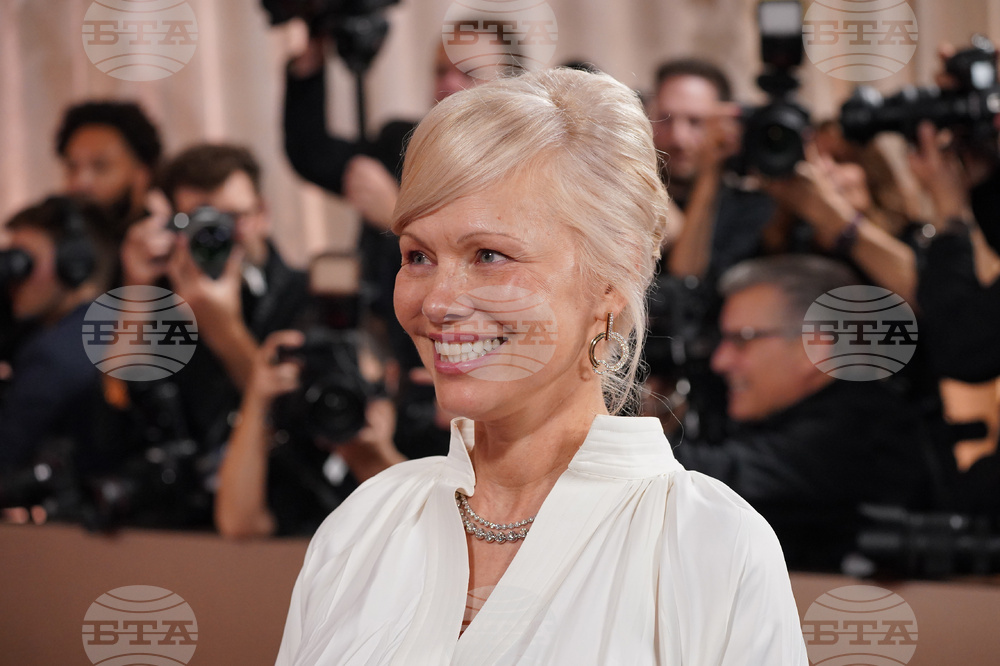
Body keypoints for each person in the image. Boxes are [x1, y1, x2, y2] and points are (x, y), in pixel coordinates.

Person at [277, 68, 807, 664]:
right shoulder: (364, 526)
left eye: (489, 255)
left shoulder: (710, 546)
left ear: (614, 274)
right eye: (417, 255)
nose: (438, 302)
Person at [675, 254, 937, 570]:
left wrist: (614, 434)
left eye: (741, 340)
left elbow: (716, 480)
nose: (720, 361)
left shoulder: (857, 429)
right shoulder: (800, 414)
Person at [0, 196, 117, 472]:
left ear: (74, 264)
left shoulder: (53, 354)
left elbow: (5, 456)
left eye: (24, 260)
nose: (12, 279)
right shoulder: (121, 323)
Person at [55, 100, 162, 240]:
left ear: (142, 175)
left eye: (100, 166)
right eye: (72, 167)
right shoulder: (55, 246)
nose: (80, 182)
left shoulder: (173, 250)